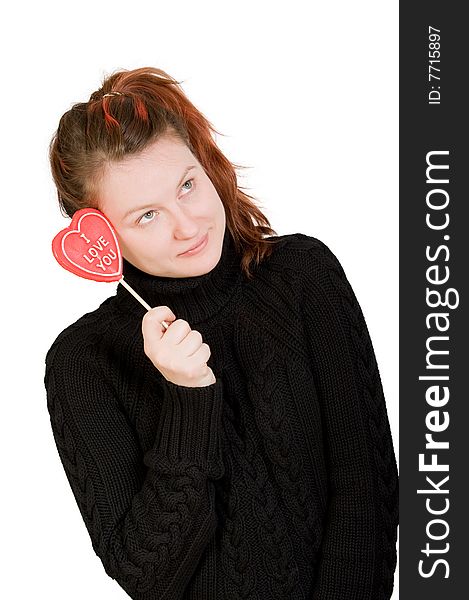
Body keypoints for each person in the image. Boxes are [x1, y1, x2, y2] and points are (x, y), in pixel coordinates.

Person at [44, 66, 399, 599]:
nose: (187, 225)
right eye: (146, 216)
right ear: (100, 235)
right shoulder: (83, 362)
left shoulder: (304, 277)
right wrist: (188, 400)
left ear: (206, 167)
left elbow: (365, 489)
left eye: (187, 185)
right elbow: (149, 578)